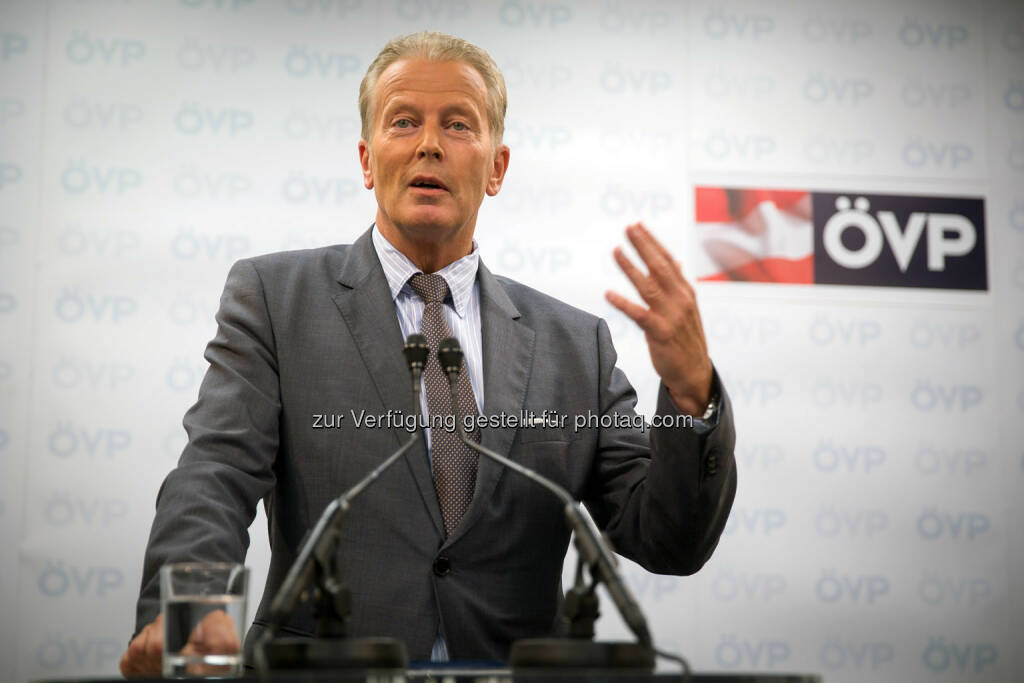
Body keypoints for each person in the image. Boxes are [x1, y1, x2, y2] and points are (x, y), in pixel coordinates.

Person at [120, 31, 737, 676]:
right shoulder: (276, 299)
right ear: (367, 159)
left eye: (459, 125)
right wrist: (186, 612)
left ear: (497, 167)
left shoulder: (574, 344)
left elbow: (669, 540)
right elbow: (216, 470)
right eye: (404, 121)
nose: (429, 144)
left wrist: (693, 392)